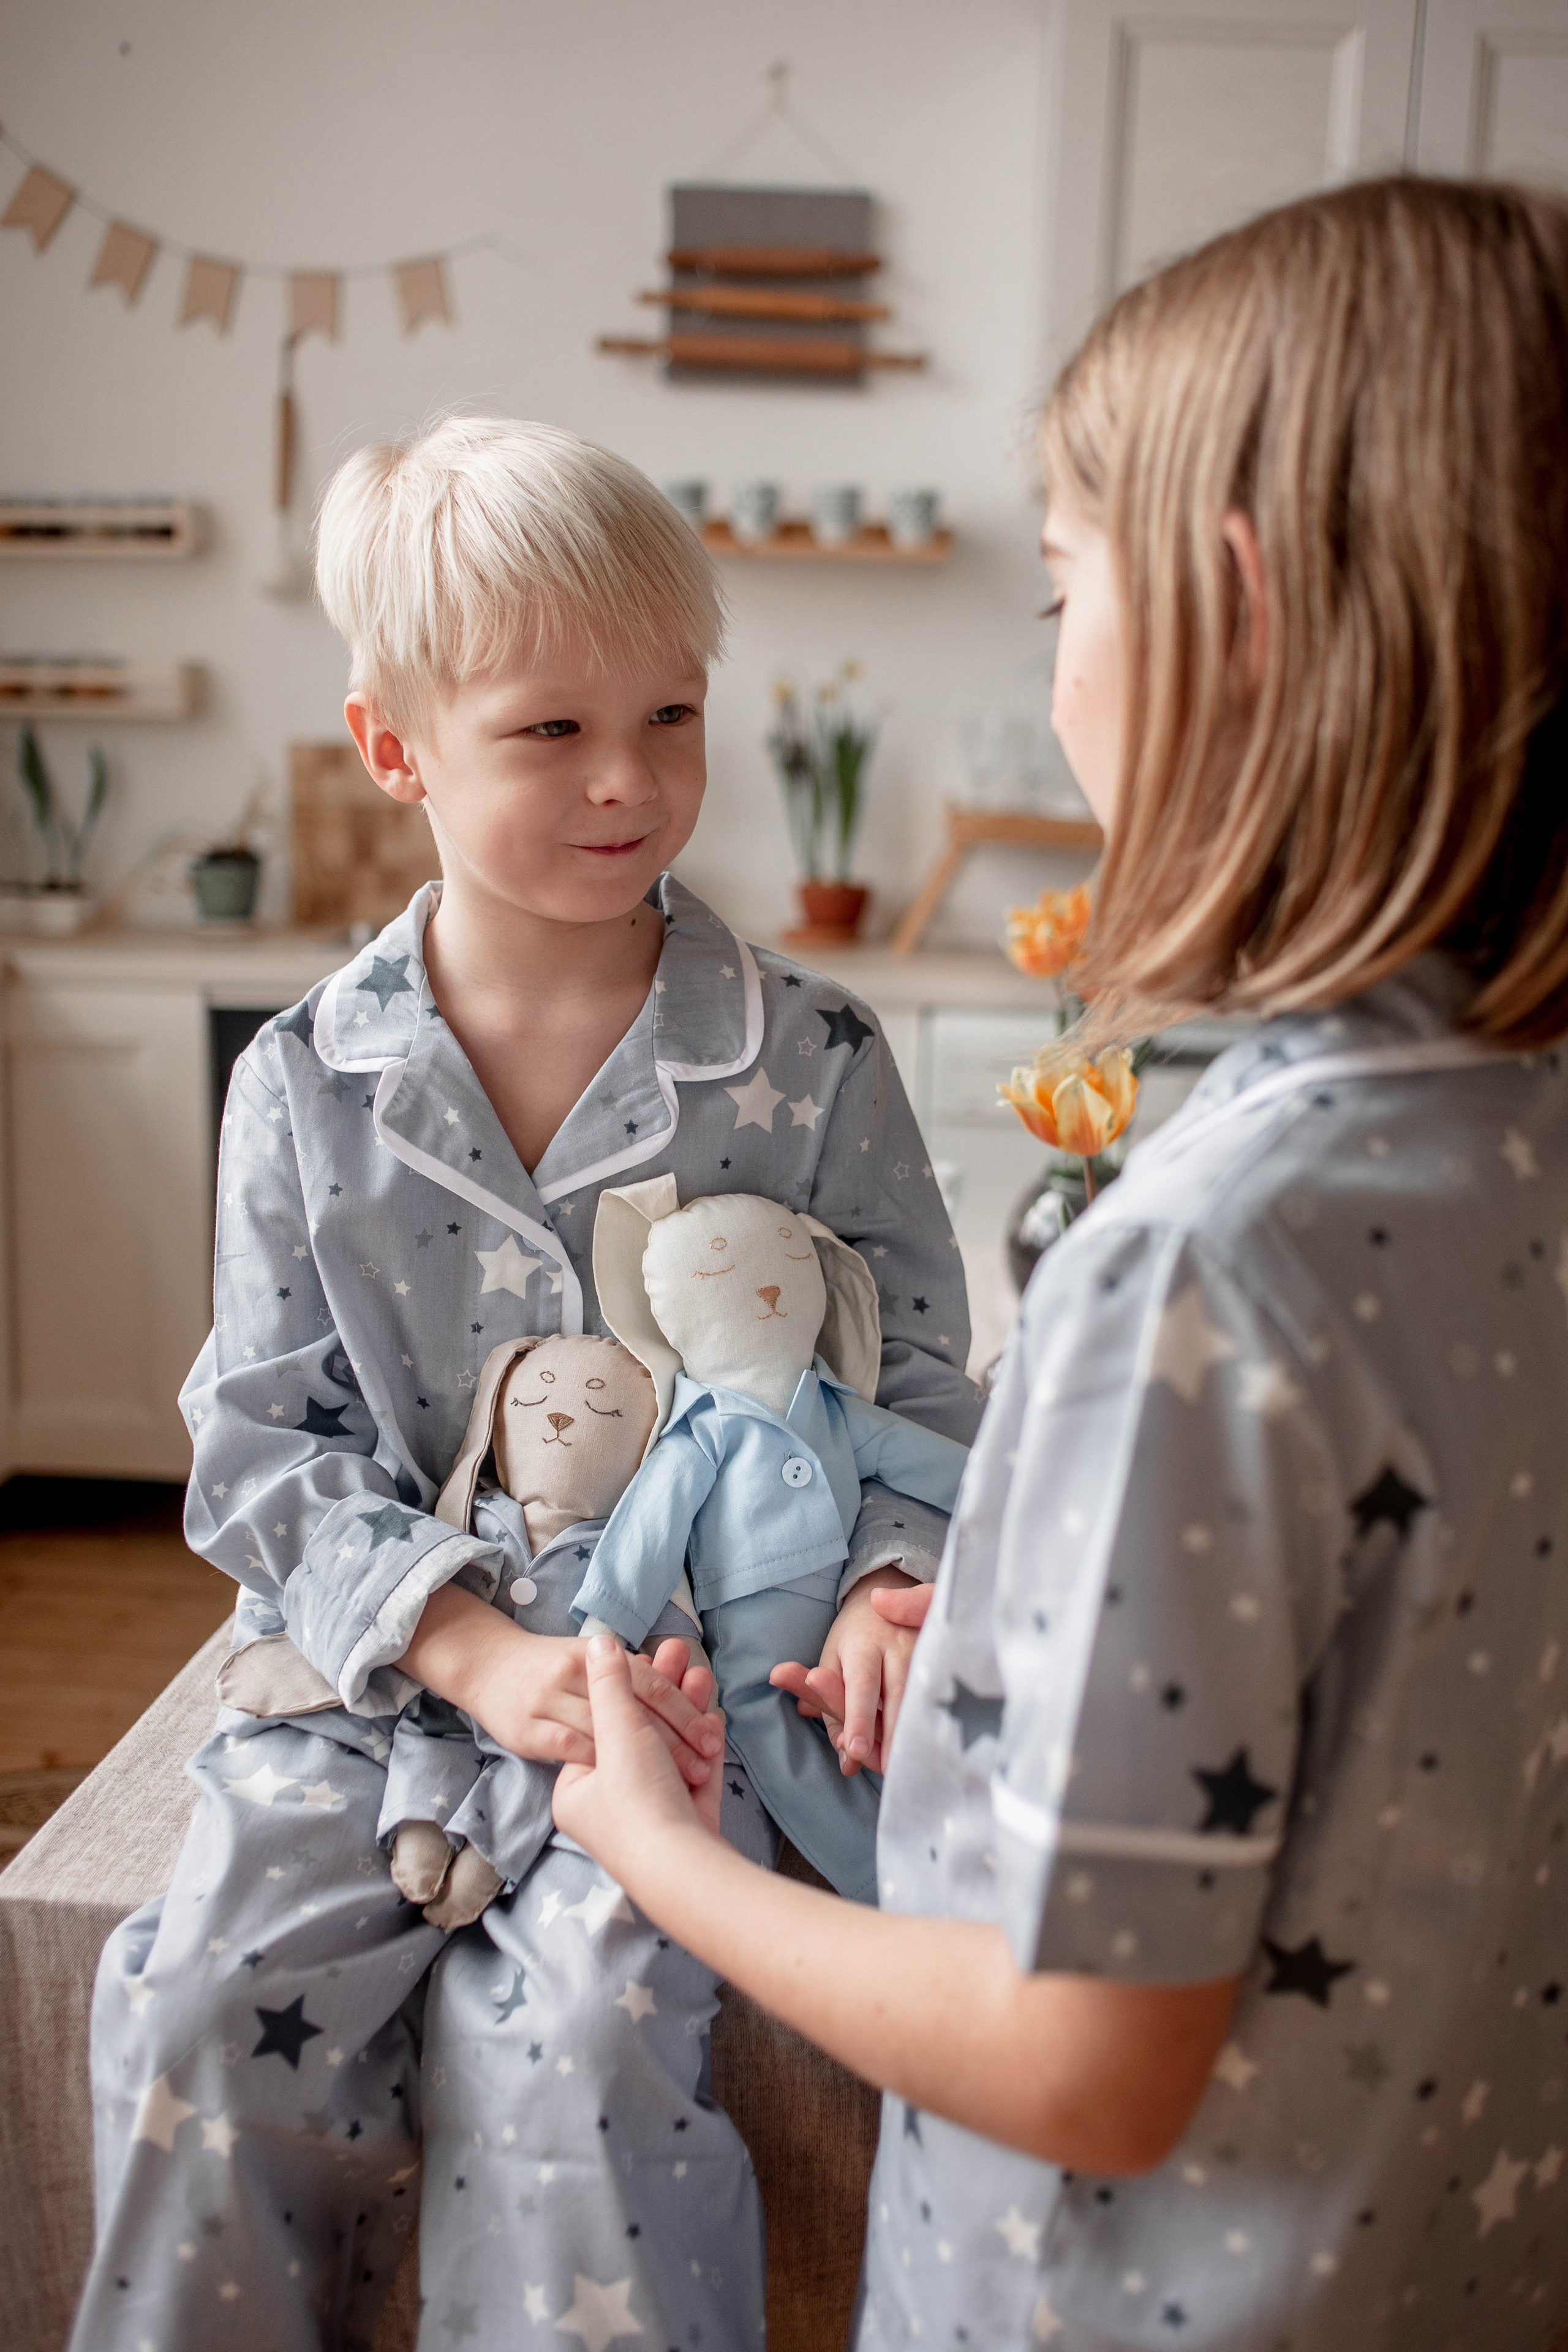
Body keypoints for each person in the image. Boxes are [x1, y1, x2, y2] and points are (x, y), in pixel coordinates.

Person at [549, 179, 1568, 2349]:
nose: (1060, 658)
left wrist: (664, 1856)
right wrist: (974, 1629)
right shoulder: (1511, 1156)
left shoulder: (1211, 1261)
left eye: (1059, 595)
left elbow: (1084, 2053)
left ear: (1236, 612)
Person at [69, 415, 979, 2352]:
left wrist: (895, 1585)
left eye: (671, 711)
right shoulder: (308, 1084)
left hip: (687, 1698)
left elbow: (919, 1387)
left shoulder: (811, 1055)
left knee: (584, 2038)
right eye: (550, 732)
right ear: (395, 748)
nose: (633, 780)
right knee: (200, 2012)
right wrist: (473, 1655)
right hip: (372, 1690)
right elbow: (258, 1447)